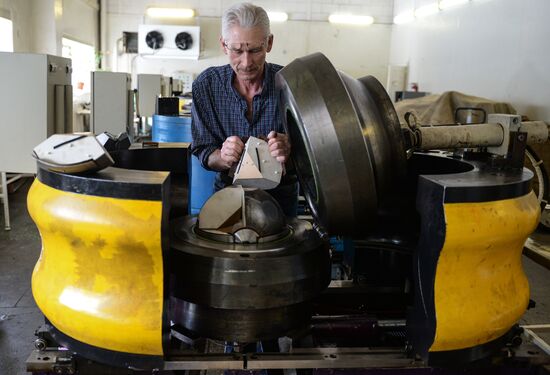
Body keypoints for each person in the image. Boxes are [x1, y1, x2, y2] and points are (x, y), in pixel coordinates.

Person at [191, 2, 298, 217]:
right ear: (223, 45)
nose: (246, 62)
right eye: (237, 50)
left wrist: (290, 149)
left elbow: (313, 154)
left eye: (255, 50)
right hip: (227, 195)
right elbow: (202, 149)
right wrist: (222, 156)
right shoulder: (207, 86)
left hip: (281, 199)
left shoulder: (291, 85)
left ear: (269, 43)